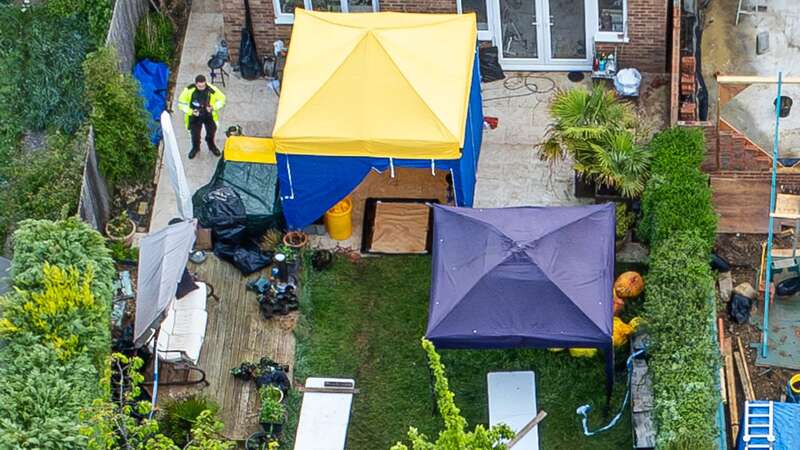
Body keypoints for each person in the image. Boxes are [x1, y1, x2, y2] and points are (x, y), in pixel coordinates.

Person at [178, 75, 226, 159]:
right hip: (195, 116)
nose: (202, 88)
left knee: (211, 132)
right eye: (200, 86)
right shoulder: (189, 90)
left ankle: (211, 145)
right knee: (195, 135)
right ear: (196, 84)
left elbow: (222, 99)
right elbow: (181, 104)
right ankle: (195, 148)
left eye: (204, 85)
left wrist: (213, 107)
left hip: (208, 115)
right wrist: (191, 111)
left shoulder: (211, 89)